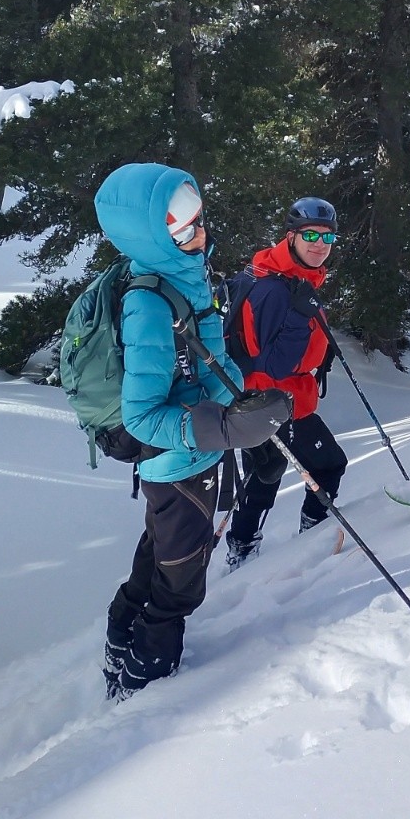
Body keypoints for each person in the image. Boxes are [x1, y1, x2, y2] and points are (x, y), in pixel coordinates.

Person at [96, 163, 291, 697]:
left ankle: (120, 645)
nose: (199, 235)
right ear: (152, 236)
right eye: (181, 231)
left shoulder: (182, 276)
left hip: (191, 458)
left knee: (159, 555)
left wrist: (240, 405)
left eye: (198, 220)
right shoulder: (149, 305)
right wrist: (227, 426)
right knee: (180, 583)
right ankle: (145, 679)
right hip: (179, 463)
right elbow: (142, 416)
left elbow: (204, 366)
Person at [223, 197, 347, 567]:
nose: (319, 244)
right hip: (273, 399)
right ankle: (296, 539)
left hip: (271, 398)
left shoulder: (278, 274)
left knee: (265, 476)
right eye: (310, 234)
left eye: (328, 238)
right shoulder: (277, 289)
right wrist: (301, 317)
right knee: (307, 469)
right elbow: (277, 363)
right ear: (290, 236)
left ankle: (245, 549)